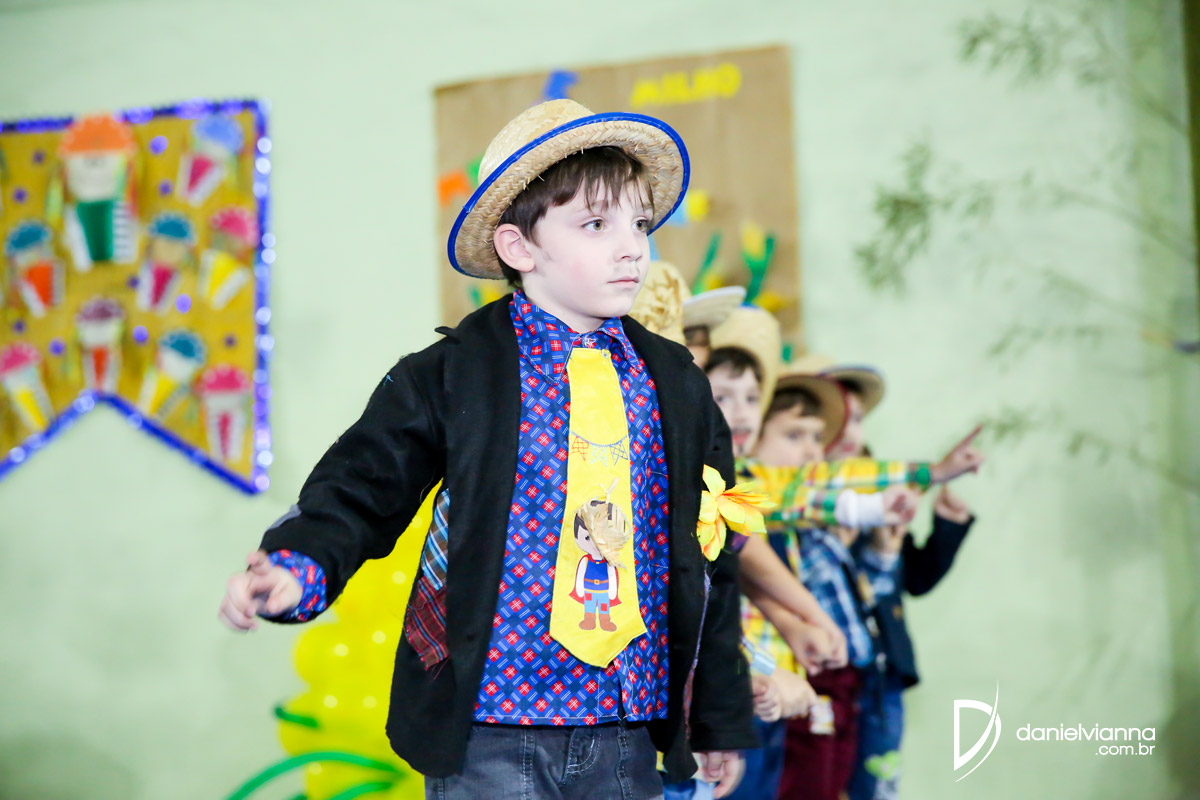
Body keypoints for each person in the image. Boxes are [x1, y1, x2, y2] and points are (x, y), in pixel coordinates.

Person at [217, 99, 758, 800]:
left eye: (640, 224)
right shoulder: (455, 372)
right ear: (519, 248)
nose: (632, 247)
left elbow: (716, 552)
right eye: (596, 224)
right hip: (492, 727)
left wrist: (717, 716)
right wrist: (300, 563)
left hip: (628, 729)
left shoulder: (677, 382)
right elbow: (362, 485)